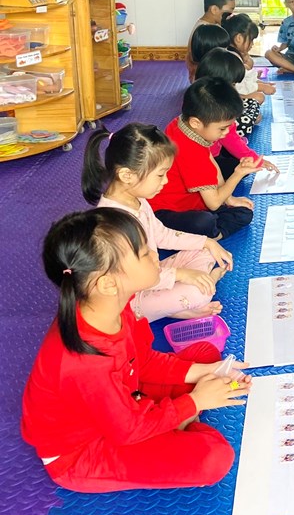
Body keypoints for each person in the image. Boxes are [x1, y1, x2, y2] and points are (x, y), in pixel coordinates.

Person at [21, 208, 250, 493]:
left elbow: (143, 361)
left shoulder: (116, 305)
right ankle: (177, 423)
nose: (154, 255)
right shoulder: (84, 361)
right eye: (143, 253)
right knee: (214, 458)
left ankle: (175, 421)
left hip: (124, 403)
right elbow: (127, 429)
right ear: (108, 283)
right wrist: (194, 402)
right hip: (84, 451)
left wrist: (209, 371)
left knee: (204, 354)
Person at [82, 124, 232, 320]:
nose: (166, 181)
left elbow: (162, 235)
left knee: (206, 251)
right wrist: (181, 274)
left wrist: (207, 242)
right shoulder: (112, 222)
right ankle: (192, 298)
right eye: (161, 174)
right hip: (130, 298)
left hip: (151, 273)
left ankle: (182, 302)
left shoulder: (137, 199)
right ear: (127, 175)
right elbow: (133, 276)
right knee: (198, 292)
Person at [148, 77, 257, 239]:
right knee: (208, 221)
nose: (227, 133)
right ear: (196, 123)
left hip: (187, 198)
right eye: (222, 129)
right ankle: (214, 236)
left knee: (239, 207)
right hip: (164, 211)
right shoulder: (192, 153)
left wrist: (229, 199)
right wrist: (238, 174)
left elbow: (211, 163)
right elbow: (213, 203)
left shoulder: (181, 123)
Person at [195, 49, 279, 180]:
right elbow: (230, 137)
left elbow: (229, 135)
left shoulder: (203, 98)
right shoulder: (217, 110)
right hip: (203, 161)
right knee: (242, 167)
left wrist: (252, 157)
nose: (235, 89)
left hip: (213, 149)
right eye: (233, 84)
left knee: (241, 157)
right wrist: (256, 160)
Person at [185, 0, 235, 81]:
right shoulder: (204, 30)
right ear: (214, 9)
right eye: (229, 11)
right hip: (205, 80)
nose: (231, 14)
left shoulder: (212, 25)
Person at [222, 12, 274, 102]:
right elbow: (241, 87)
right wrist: (262, 87)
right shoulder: (233, 59)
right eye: (251, 40)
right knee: (259, 97)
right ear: (239, 38)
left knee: (246, 66)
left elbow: (243, 79)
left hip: (229, 93)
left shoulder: (231, 53)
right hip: (226, 100)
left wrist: (261, 83)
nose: (252, 44)